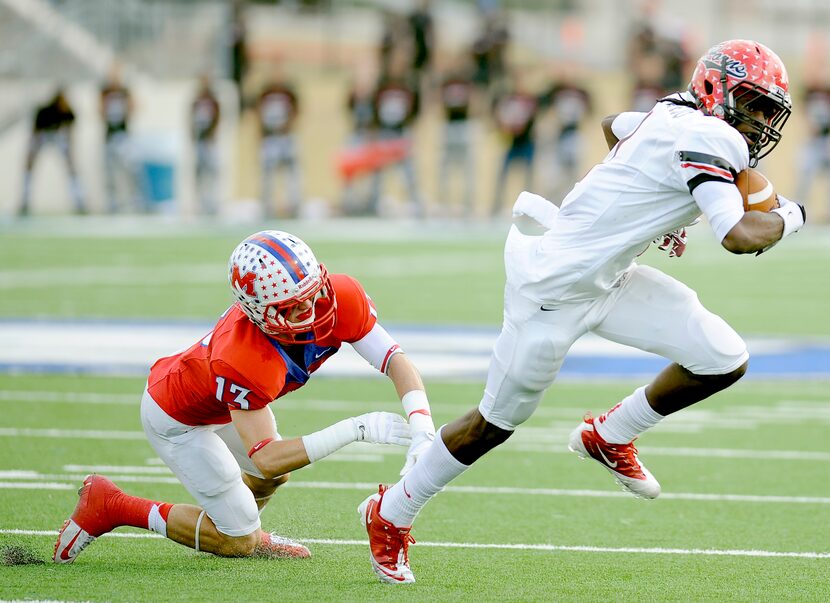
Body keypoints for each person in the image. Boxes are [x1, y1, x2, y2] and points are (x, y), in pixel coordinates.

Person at [358, 39, 805, 584]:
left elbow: (616, 125)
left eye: (767, 109)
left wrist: (650, 205)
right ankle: (392, 511)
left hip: (608, 278)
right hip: (553, 290)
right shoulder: (710, 134)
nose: (759, 121)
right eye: (751, 104)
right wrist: (795, 214)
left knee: (724, 357)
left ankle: (610, 435)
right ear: (714, 88)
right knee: (492, 426)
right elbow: (738, 236)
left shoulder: (672, 109)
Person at [53, 230, 436, 563]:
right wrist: (356, 429)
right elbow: (266, 457)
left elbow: (394, 360)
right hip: (178, 419)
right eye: (293, 306)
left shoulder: (336, 296)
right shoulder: (244, 357)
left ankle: (245, 526)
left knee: (274, 479)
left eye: (313, 293)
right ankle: (112, 504)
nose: (312, 308)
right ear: (260, 313)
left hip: (223, 405)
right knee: (239, 539)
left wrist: (422, 425)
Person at [18, 88, 86, 216]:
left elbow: (70, 134)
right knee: (28, 168)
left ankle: (79, 202)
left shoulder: (69, 112)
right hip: (42, 135)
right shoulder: (44, 111)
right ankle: (24, 201)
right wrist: (31, 154)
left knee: (72, 170)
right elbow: (35, 133)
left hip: (59, 137)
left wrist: (70, 154)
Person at [257, 78, 303, 218]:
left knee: (293, 172)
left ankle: (294, 206)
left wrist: (289, 126)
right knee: (267, 174)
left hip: (285, 136)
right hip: (270, 137)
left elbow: (297, 109)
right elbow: (258, 111)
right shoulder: (265, 92)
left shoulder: (288, 92)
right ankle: (267, 206)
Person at [100, 65, 135, 212]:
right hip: (110, 134)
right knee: (109, 172)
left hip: (123, 134)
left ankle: (131, 201)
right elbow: (100, 109)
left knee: (128, 170)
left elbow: (133, 106)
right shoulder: (105, 90)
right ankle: (113, 203)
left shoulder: (124, 91)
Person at [191, 76, 222, 215]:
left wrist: (213, 135)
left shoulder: (213, 100)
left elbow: (218, 117)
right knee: (199, 173)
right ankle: (200, 203)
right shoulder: (196, 100)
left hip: (209, 141)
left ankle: (212, 203)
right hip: (199, 140)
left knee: (212, 172)